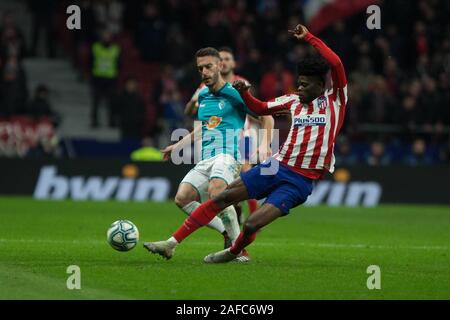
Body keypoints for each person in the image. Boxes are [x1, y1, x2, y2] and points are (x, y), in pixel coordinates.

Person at [143, 24, 348, 263]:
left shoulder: (335, 101)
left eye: (304, 84)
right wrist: (246, 93)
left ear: (321, 86)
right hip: (277, 166)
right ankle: (173, 243)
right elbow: (260, 108)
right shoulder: (292, 101)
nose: (299, 88)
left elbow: (336, 64)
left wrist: (309, 38)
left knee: (251, 224)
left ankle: (233, 251)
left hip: (300, 181)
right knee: (220, 198)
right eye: (298, 83)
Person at [144, 47, 260, 261]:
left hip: (229, 154)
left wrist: (267, 142)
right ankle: (226, 233)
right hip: (207, 157)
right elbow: (204, 128)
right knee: (182, 198)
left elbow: (262, 113)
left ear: (220, 66)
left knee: (217, 193)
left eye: (208, 67)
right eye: (200, 68)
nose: (204, 72)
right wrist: (177, 146)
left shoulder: (234, 93)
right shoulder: (204, 96)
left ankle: (238, 249)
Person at [185, 47, 274, 221]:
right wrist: (194, 101)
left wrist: (261, 128)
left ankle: (249, 213)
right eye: (222, 58)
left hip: (244, 134)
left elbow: (250, 107)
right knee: (233, 180)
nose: (225, 62)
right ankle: (237, 208)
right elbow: (191, 111)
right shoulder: (204, 86)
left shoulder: (240, 83)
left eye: (227, 59)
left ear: (232, 63)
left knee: (245, 172)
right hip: (218, 137)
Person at [90, 30, 121, 128]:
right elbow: (89, 61)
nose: (106, 38)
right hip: (98, 77)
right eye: (104, 35)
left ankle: (112, 121)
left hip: (111, 78)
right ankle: (94, 121)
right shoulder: (95, 47)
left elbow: (120, 63)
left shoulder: (116, 49)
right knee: (96, 101)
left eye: (108, 36)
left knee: (111, 101)